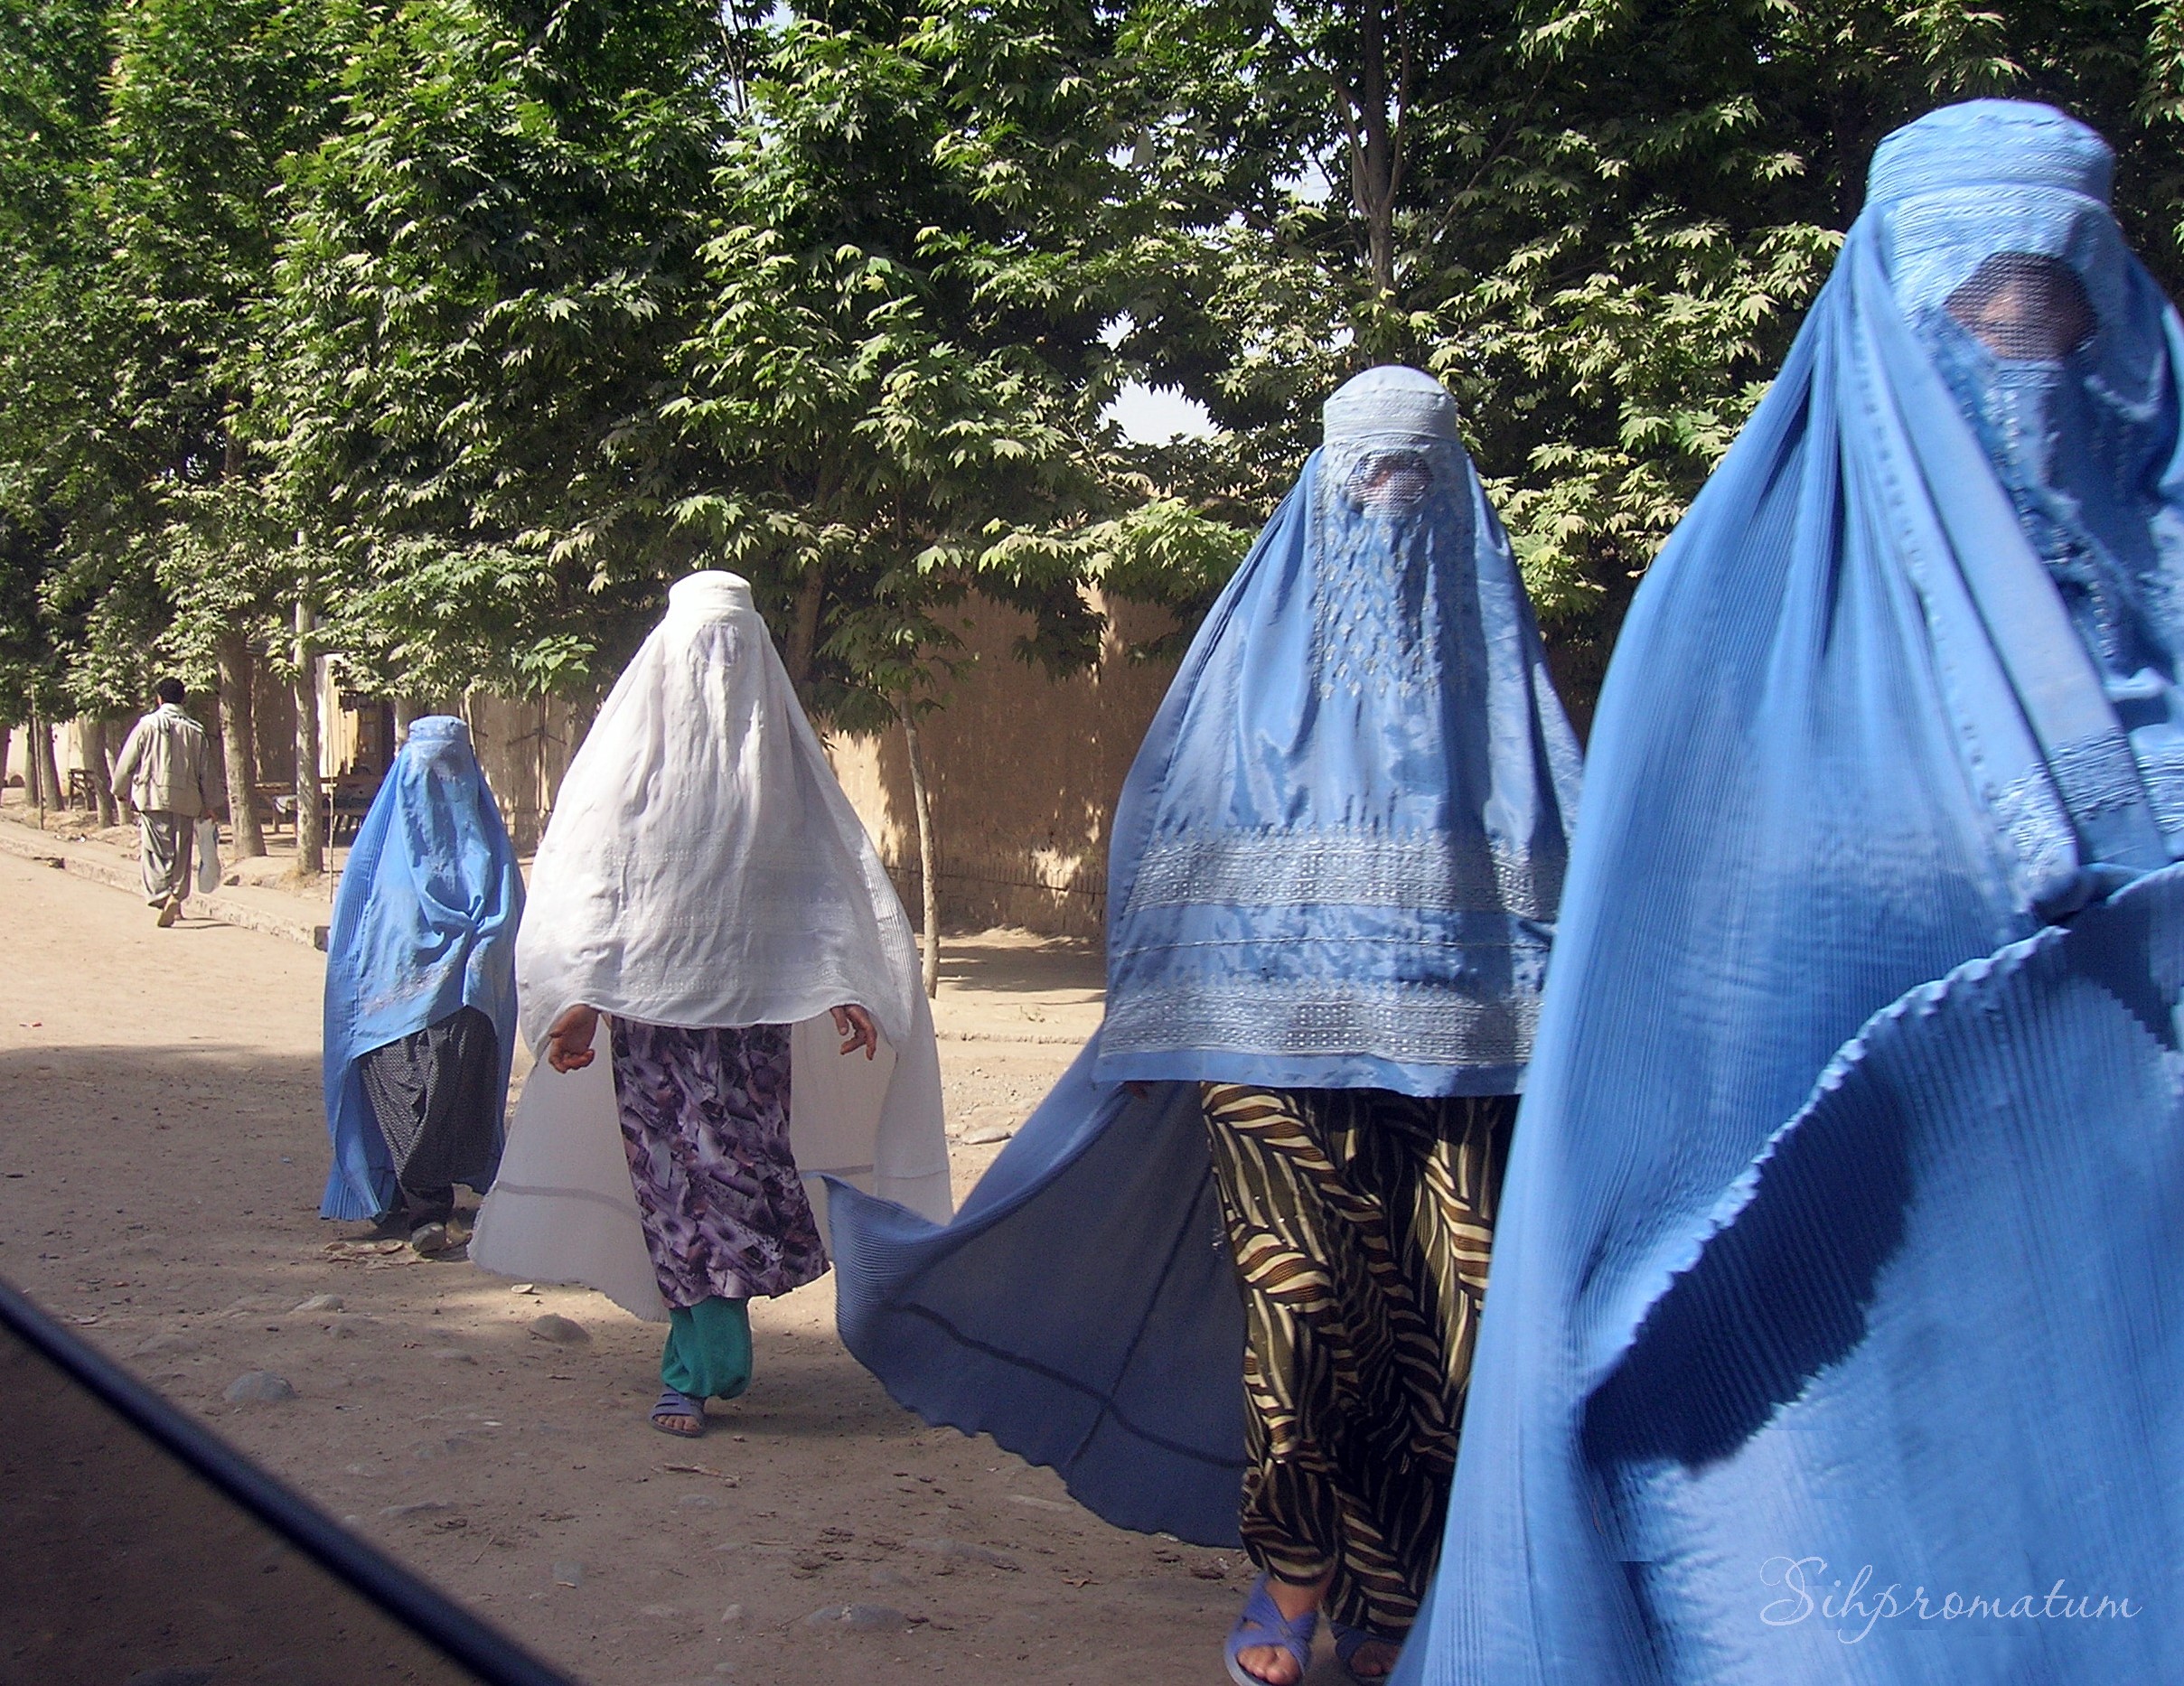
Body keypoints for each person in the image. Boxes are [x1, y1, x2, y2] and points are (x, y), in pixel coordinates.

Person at [1396, 100, 2184, 1684]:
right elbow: (1649, 1033)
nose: (2014, 340)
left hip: (2133, 1363)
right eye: (1967, 306)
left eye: (2056, 298)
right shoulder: (1726, 621)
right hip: (1793, 1380)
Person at [827, 367, 1580, 1684]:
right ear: (1323, 487)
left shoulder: (1501, 692)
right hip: (1265, 1046)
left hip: (1461, 1059)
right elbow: (1166, 841)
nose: (1388, 506)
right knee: (1304, 1314)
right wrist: (1149, 1029)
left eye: (1413, 481)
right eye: (1366, 479)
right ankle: (1294, 1574)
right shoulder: (1242, 674)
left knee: (1449, 1326)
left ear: (1452, 494)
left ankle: (1396, 1589)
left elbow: (1560, 871)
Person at [469, 571, 951, 1438]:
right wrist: (577, 998)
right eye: (702, 645)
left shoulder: (783, 767)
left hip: (751, 1031)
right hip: (651, 1030)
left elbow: (823, 884)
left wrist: (846, 984)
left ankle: (706, 1352)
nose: (718, 668)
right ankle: (694, 1367)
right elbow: (589, 886)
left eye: (735, 644)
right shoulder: (621, 766)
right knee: (676, 1191)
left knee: (735, 1184)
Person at [320, 716, 522, 1255]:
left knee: (449, 1099)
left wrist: (481, 957)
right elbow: (354, 937)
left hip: (464, 999)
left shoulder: (490, 851)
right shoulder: (376, 857)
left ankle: (429, 1203)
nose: (439, 784)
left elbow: (508, 918)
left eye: (451, 770)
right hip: (391, 1005)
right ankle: (417, 1204)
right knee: (399, 1092)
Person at [110, 677, 225, 926]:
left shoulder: (147, 725)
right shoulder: (195, 730)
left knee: (156, 851)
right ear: (183, 699)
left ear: (159, 699)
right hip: (188, 799)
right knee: (182, 852)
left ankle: (162, 895)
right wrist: (210, 805)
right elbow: (206, 771)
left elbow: (128, 759)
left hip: (153, 796)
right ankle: (177, 898)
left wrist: (120, 789)